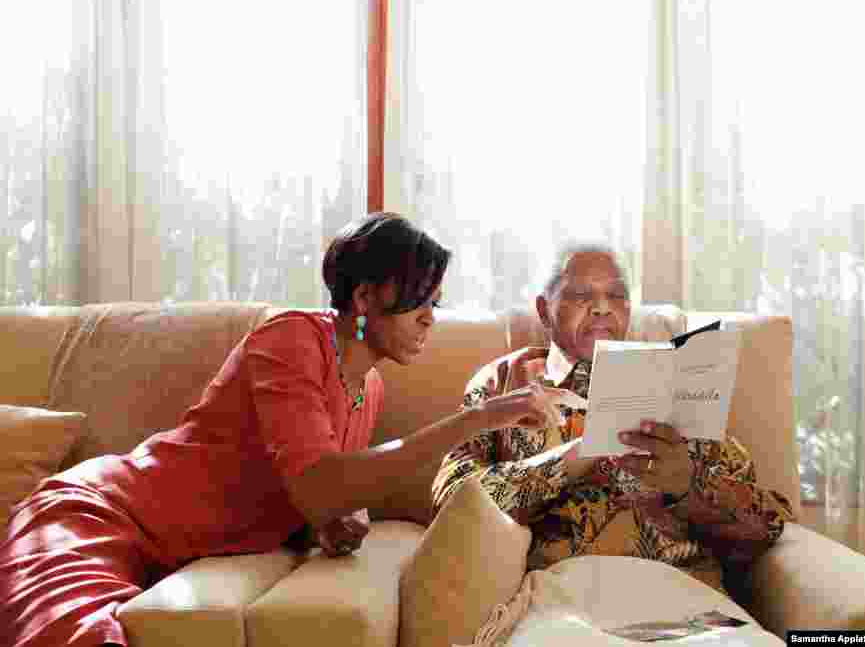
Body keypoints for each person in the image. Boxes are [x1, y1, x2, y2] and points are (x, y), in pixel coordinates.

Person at [0, 212, 569, 647]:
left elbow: (318, 490)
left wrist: (330, 521)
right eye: (418, 297)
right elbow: (320, 482)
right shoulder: (292, 340)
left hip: (164, 553)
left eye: (435, 302)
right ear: (364, 296)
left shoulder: (367, 387)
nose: (429, 316)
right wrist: (477, 419)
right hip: (98, 516)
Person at [432, 242, 795, 594]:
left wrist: (688, 485)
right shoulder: (506, 383)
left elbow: (769, 525)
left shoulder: (679, 381)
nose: (602, 308)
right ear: (544, 310)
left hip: (684, 596)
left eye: (617, 295)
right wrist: (571, 458)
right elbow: (452, 500)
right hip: (563, 599)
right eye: (580, 295)